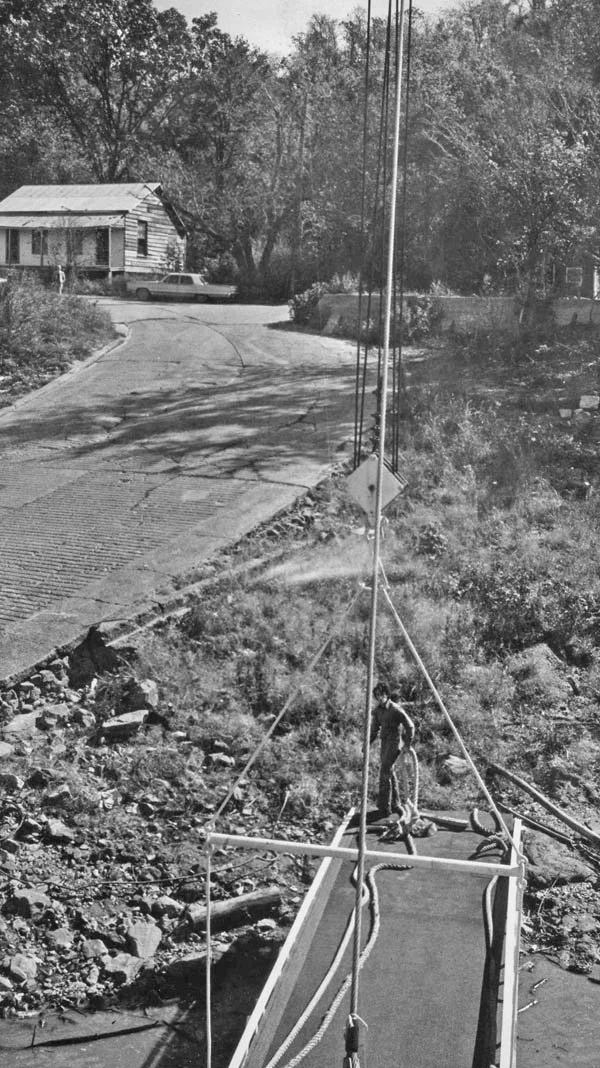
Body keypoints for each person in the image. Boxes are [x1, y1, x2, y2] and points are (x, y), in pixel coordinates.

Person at [370, 681, 415, 817]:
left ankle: (384, 807)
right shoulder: (378, 711)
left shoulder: (395, 709)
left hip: (395, 743)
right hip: (384, 742)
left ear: (387, 694)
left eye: (382, 694)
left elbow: (410, 726)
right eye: (377, 695)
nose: (379, 697)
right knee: (389, 772)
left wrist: (407, 744)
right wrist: (367, 744)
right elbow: (374, 729)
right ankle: (396, 804)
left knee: (385, 769)